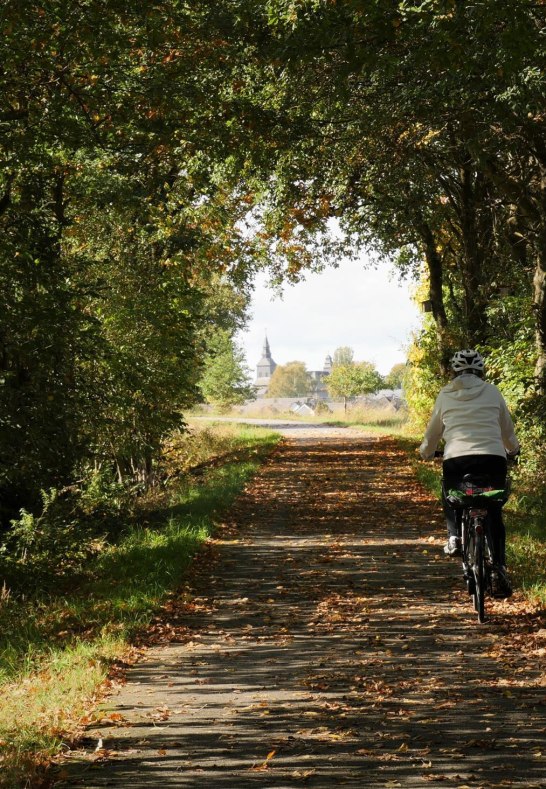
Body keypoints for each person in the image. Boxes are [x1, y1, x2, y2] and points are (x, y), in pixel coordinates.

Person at [419, 349, 520, 597]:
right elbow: (506, 427)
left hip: (457, 459)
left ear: (455, 371)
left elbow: (434, 431)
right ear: (480, 370)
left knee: (451, 494)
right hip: (492, 459)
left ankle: (454, 536)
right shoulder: (493, 391)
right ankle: (499, 566)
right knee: (493, 509)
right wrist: (514, 450)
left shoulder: (445, 394)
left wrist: (426, 452)